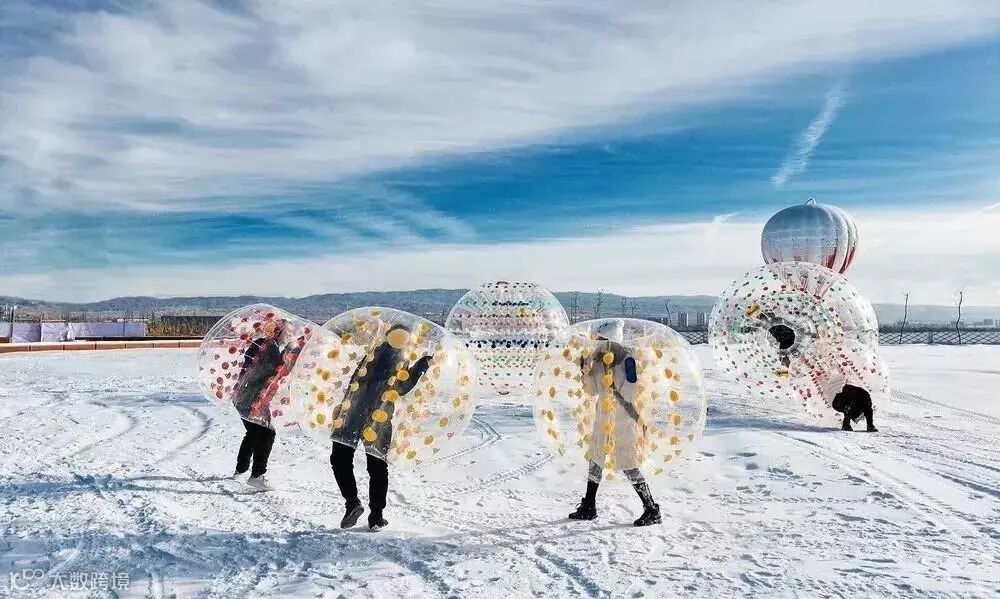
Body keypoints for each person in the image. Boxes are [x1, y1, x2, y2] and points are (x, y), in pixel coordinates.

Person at [330, 324, 432, 531]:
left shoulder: (373, 352)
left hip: (352, 412)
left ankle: (352, 503)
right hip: (378, 417)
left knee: (340, 459)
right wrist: (421, 365)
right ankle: (375, 516)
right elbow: (401, 388)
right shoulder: (400, 356)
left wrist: (343, 406)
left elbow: (355, 382)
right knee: (376, 467)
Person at [568, 320, 661, 527]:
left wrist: (620, 378)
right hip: (603, 418)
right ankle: (589, 506)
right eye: (597, 340)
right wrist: (585, 372)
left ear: (612, 341)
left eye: (602, 340)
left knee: (628, 463)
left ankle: (652, 509)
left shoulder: (628, 361)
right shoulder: (597, 362)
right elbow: (592, 391)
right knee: (596, 458)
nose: (598, 344)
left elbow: (632, 392)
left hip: (623, 420)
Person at [232, 319, 286, 489]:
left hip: (245, 395)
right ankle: (257, 475)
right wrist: (284, 361)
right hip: (253, 397)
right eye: (288, 332)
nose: (289, 335)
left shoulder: (263, 343)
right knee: (266, 433)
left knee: (253, 433)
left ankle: (241, 470)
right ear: (279, 332)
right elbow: (269, 371)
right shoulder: (269, 347)